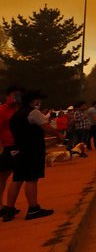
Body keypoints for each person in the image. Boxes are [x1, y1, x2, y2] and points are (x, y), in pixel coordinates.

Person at [5, 90, 64, 221]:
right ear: (33, 101)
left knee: (17, 179)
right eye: (39, 100)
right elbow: (46, 127)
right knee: (31, 179)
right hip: (32, 150)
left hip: (18, 150)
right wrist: (58, 135)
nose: (40, 102)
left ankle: (9, 210)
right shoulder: (33, 112)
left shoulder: (16, 114)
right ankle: (33, 209)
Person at [0, 86, 24, 221]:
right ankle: (5, 207)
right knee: (4, 177)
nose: (17, 97)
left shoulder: (20, 109)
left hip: (20, 145)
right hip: (8, 147)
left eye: (19, 94)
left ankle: (7, 206)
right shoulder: (3, 110)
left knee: (15, 176)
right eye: (14, 94)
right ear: (8, 95)